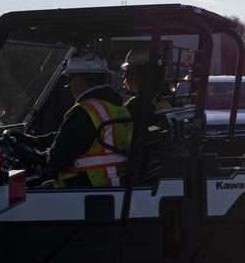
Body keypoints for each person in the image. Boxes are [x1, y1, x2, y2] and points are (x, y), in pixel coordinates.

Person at [33, 51, 133, 188]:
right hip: (116, 181)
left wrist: (48, 155)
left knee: (33, 193)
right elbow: (84, 137)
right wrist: (39, 141)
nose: (69, 87)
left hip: (90, 186)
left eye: (70, 80)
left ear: (80, 81)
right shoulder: (117, 108)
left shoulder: (82, 112)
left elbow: (56, 161)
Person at [121, 49, 170, 118]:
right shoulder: (163, 102)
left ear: (144, 73)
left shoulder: (134, 107)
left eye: (129, 71)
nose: (124, 76)